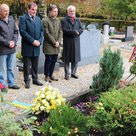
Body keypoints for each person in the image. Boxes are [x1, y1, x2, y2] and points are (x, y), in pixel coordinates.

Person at [19, 2, 43, 88]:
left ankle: (35, 79)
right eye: (32, 9)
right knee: (26, 65)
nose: (34, 11)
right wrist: (33, 41)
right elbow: (23, 32)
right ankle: (26, 81)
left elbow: (41, 31)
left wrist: (40, 41)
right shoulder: (22, 18)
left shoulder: (38, 19)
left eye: (35, 10)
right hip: (28, 46)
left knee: (35, 64)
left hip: (36, 46)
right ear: (28, 9)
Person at [0, 3, 20, 92]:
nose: (7, 12)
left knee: (11, 67)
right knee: (2, 69)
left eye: (8, 10)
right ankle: (3, 86)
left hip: (12, 48)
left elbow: (16, 32)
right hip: (2, 49)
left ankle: (11, 83)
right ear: (0, 11)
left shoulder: (12, 20)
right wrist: (8, 43)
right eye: (5, 11)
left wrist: (14, 42)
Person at [61, 5, 83, 80]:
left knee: (75, 58)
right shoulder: (64, 20)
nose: (72, 12)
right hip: (68, 42)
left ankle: (73, 73)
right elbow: (64, 30)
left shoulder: (78, 20)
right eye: (70, 11)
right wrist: (74, 32)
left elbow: (81, 29)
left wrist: (78, 32)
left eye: (73, 11)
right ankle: (67, 74)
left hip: (76, 42)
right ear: (68, 12)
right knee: (67, 59)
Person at [42, 4, 62, 82]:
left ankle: (51, 74)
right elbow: (46, 33)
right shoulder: (45, 20)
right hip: (49, 44)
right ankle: (46, 75)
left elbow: (60, 31)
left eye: (56, 11)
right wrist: (54, 42)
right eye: (54, 11)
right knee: (48, 60)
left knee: (54, 60)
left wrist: (58, 41)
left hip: (56, 44)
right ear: (50, 11)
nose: (56, 13)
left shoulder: (58, 20)